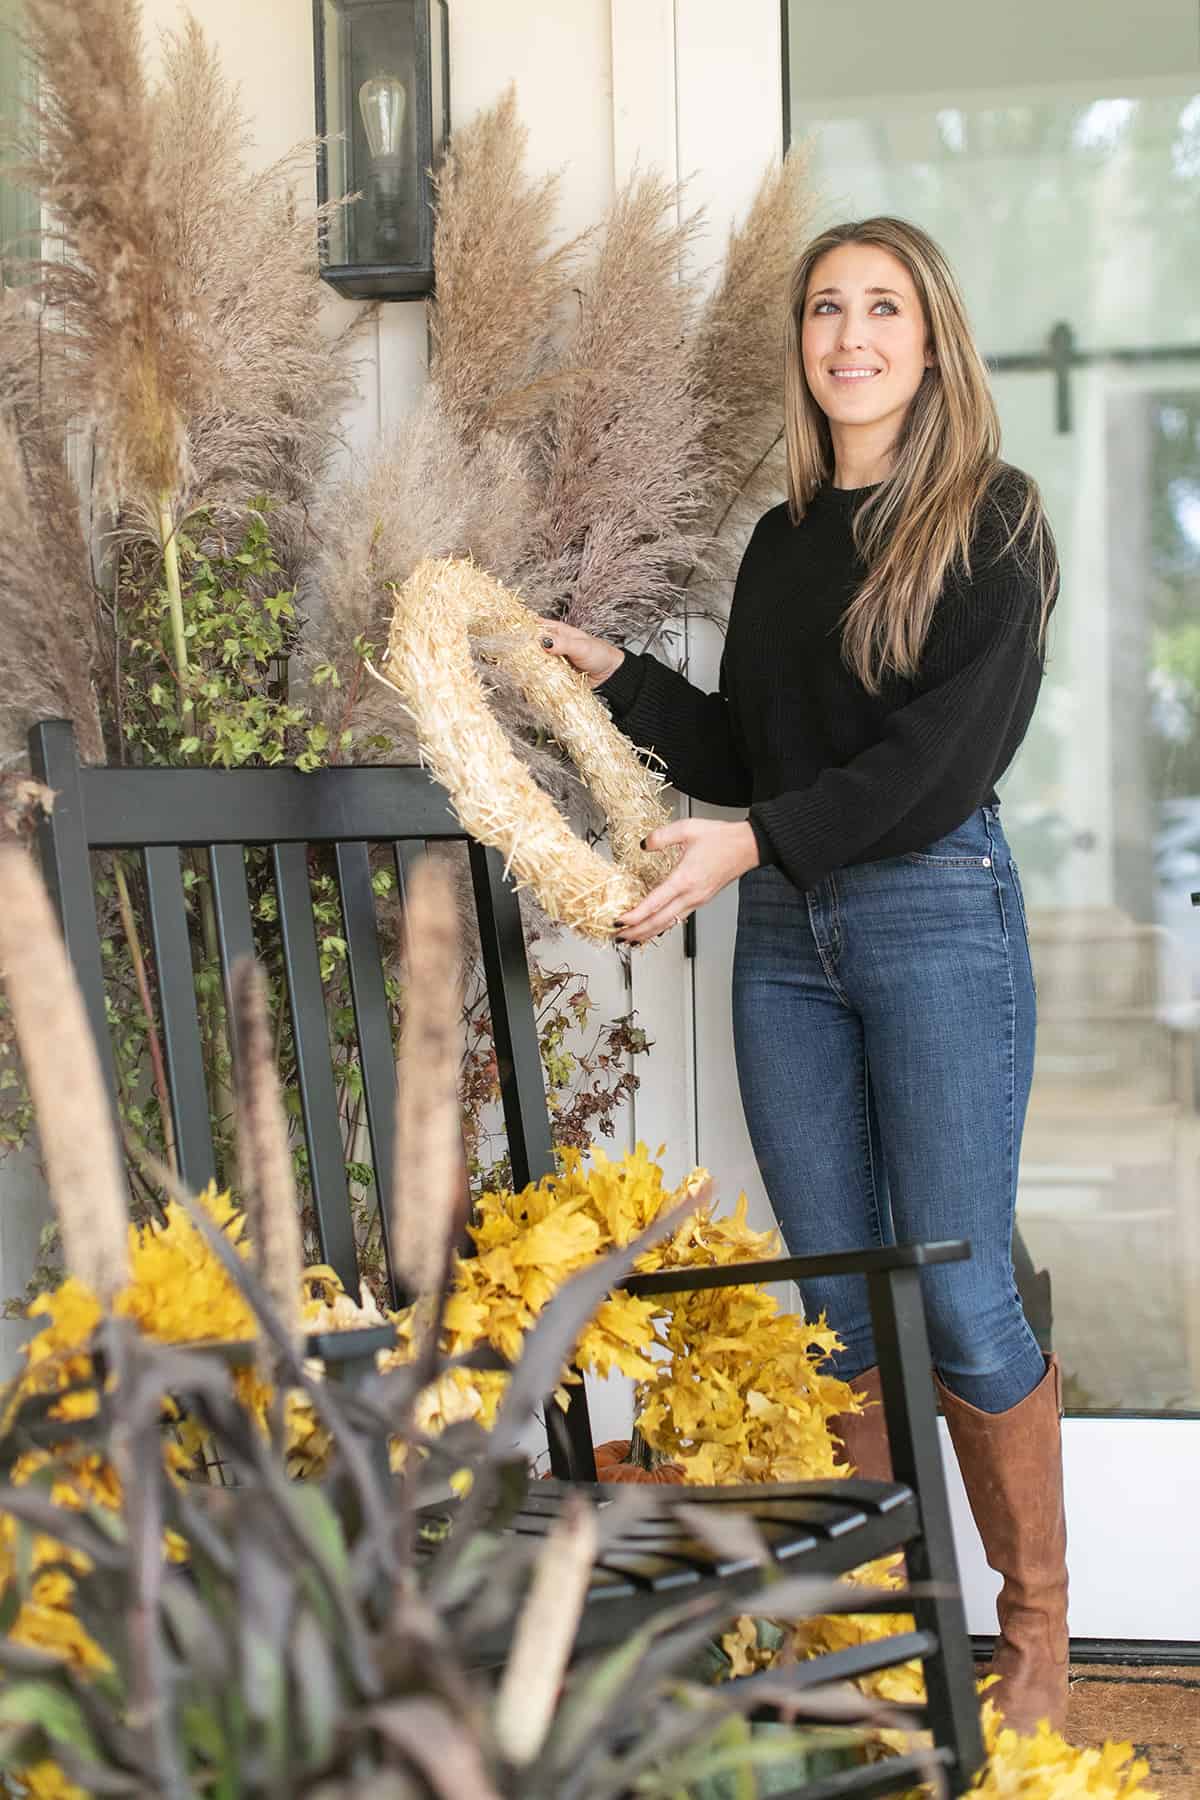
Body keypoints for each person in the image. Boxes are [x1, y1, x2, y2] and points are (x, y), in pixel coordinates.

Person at [539, 216, 1069, 1735]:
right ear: (805, 349)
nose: (850, 335)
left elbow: (935, 765)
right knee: (837, 1309)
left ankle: (1033, 1636)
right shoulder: (779, 543)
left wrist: (748, 844)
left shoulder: (994, 521)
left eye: (882, 308)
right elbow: (752, 754)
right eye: (826, 309)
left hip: (931, 917)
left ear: (930, 337)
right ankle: (902, 1635)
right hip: (786, 942)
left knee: (960, 1289)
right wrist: (623, 682)